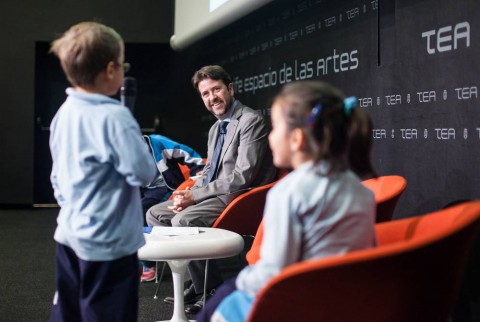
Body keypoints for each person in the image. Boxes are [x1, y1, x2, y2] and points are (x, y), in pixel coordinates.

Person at [197, 80, 378, 322]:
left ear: (297, 139)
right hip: (342, 302)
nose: (270, 137)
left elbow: (273, 273)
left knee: (222, 299)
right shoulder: (361, 190)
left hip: (294, 303)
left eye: (274, 128)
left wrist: (240, 280)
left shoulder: (289, 192)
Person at [146, 65, 277, 314]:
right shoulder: (216, 128)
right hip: (212, 194)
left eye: (216, 89)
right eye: (205, 94)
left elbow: (242, 176)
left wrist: (194, 196)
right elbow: (208, 170)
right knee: (155, 214)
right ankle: (195, 283)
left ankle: (211, 287)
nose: (211, 97)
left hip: (238, 197)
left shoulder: (250, 121)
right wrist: (186, 193)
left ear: (230, 88)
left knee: (184, 221)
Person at [48, 22, 156, 322]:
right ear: (111, 70)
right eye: (123, 65)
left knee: (69, 313)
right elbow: (145, 173)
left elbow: (57, 178)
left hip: (69, 235)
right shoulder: (115, 116)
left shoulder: (64, 112)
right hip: (109, 246)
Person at [140, 134, 205, 282]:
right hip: (143, 190)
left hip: (166, 187)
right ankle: (140, 254)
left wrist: (198, 173)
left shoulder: (158, 143)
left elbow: (189, 154)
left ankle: (148, 264)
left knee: (140, 212)